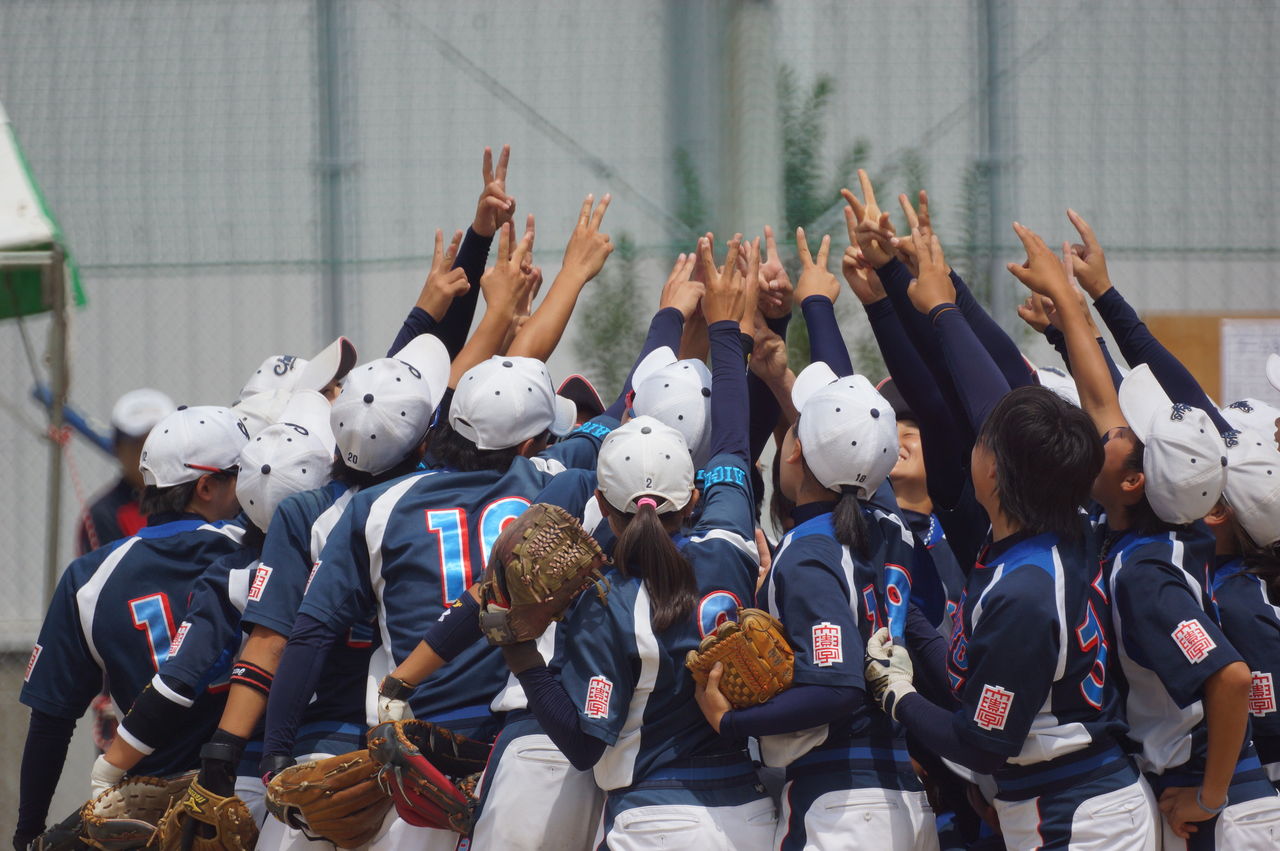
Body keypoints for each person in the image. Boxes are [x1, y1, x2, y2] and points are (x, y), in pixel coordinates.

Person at [496, 236, 775, 849]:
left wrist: (520, 652)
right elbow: (732, 439)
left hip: (656, 819)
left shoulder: (602, 596)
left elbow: (583, 740)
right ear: (694, 495)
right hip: (751, 817)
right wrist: (730, 331)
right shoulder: (731, 541)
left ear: (601, 506)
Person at [1007, 220, 1279, 848]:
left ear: (1137, 482)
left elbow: (1232, 679)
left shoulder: (1149, 569)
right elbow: (1117, 405)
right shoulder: (1187, 530)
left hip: (1223, 805)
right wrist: (1081, 306)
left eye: (1134, 439)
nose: (1117, 428)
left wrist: (1211, 799)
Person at [88, 390, 337, 824]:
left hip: (265, 764)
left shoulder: (232, 573)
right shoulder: (364, 530)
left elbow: (177, 681)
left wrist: (107, 770)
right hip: (369, 743)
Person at [15, 405, 247, 851]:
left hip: (152, 815)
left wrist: (27, 833)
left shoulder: (91, 577)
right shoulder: (260, 550)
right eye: (242, 473)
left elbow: (51, 722)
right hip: (256, 790)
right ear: (206, 486)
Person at [1207, 409, 1280, 791]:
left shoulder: (1239, 606)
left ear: (1217, 510)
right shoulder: (1223, 580)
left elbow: (1270, 742)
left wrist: (1210, 795)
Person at [76, 387, 176, 555]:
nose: (149, 452)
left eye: (159, 440)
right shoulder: (103, 514)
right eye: (138, 444)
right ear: (118, 447)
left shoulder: (197, 495)